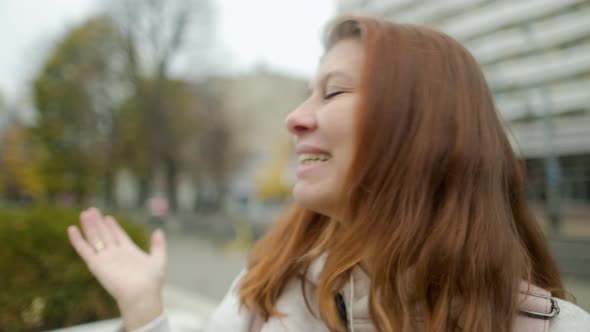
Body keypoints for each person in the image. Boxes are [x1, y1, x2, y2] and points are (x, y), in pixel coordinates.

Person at [67, 15, 590, 332]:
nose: (294, 118)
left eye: (333, 92)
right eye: (307, 91)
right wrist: (143, 308)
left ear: (422, 126)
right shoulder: (265, 294)